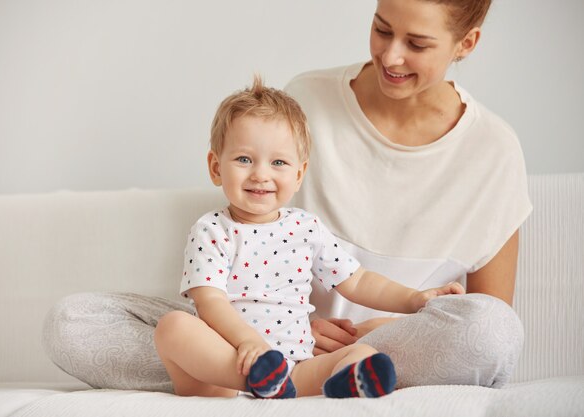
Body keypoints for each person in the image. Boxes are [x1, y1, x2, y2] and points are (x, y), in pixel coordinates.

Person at [42, 0, 530, 391]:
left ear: (466, 42)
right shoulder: (307, 101)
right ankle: (268, 371)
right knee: (74, 323)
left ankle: (312, 369)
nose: (390, 55)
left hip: (394, 336)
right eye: (382, 29)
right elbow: (216, 292)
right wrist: (288, 328)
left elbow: (486, 316)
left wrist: (398, 318)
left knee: (490, 331)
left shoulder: (495, 150)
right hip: (246, 331)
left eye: (417, 43)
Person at [153, 77, 465, 399]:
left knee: (362, 354)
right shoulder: (213, 229)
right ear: (216, 167)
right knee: (172, 327)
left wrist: (414, 299)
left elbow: (357, 281)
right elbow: (210, 301)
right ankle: (259, 379)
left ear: (299, 174)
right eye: (244, 159)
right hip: (224, 372)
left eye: (278, 162)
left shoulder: (306, 228)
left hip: (296, 372)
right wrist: (249, 343)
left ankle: (351, 379)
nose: (261, 173)